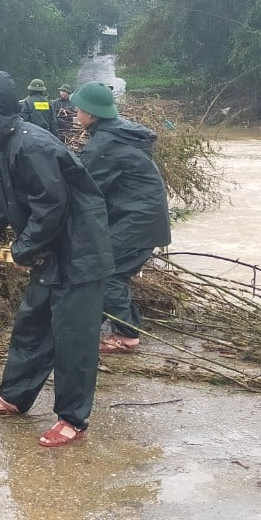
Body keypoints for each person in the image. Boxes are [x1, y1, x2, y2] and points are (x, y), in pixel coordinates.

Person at [0, 71, 114, 447]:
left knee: (73, 338)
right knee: (32, 325)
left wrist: (24, 248)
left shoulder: (32, 146)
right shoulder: (4, 145)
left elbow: (51, 205)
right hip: (50, 251)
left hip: (79, 253)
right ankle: (13, 396)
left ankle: (73, 419)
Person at [71, 82, 172, 354]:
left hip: (137, 222)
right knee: (115, 273)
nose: (75, 114)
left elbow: (86, 190)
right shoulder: (119, 133)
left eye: (78, 110)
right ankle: (120, 326)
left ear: (91, 114)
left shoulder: (104, 144)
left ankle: (127, 336)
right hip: (142, 219)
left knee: (108, 273)